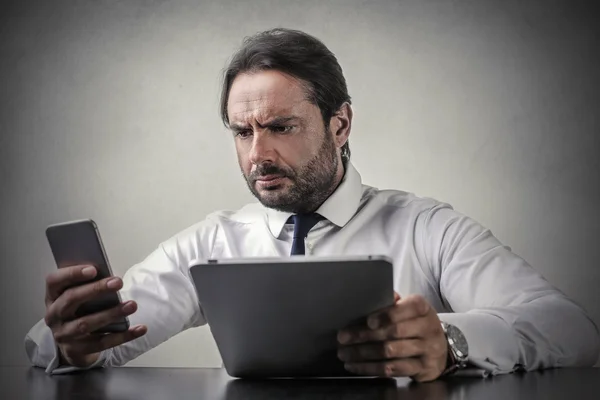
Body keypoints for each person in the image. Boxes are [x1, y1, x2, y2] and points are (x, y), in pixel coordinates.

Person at [25, 28, 599, 382]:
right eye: (242, 132)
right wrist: (74, 343)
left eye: (281, 126)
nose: (258, 154)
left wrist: (451, 343)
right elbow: (61, 344)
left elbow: (571, 330)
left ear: (340, 123)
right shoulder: (211, 242)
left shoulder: (427, 228)